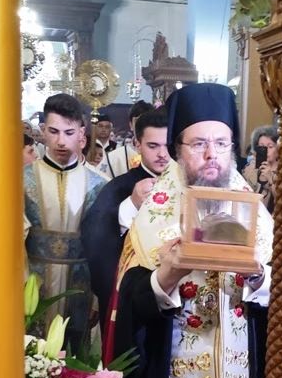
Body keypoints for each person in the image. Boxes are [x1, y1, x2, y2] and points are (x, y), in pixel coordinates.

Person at [107, 83, 278, 378]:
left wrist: (257, 276)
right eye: (198, 144)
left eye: (221, 143)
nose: (211, 155)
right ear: (177, 150)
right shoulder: (153, 216)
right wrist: (168, 274)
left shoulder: (255, 214)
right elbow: (130, 302)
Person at [24, 93, 108, 352]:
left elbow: (103, 249)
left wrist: (97, 298)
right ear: (42, 131)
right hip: (31, 281)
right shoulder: (20, 180)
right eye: (53, 131)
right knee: (31, 355)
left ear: (82, 133)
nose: (61, 141)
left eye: (69, 133)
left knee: (74, 358)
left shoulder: (99, 184)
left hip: (81, 285)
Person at [81, 108, 171, 335]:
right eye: (153, 146)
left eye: (167, 145)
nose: (162, 154)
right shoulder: (119, 187)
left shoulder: (186, 186)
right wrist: (130, 205)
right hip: (130, 299)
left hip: (174, 297)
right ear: (137, 144)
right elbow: (96, 241)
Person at [104, 100, 153, 179]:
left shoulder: (163, 155)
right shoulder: (114, 158)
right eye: (138, 121)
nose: (142, 126)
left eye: (147, 121)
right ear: (130, 125)